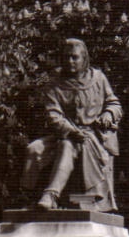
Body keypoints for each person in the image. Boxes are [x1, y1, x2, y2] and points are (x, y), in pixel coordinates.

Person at [20, 37, 122, 212]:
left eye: (75, 57)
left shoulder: (98, 78)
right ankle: (27, 197)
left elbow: (114, 103)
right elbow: (53, 115)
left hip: (93, 136)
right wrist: (70, 131)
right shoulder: (54, 84)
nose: (70, 61)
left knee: (67, 146)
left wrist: (108, 114)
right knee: (34, 149)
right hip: (66, 133)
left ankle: (51, 195)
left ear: (84, 58)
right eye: (66, 57)